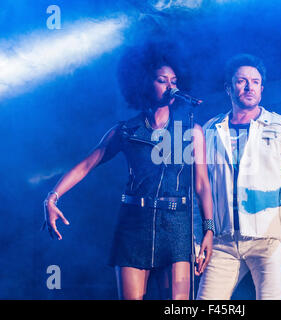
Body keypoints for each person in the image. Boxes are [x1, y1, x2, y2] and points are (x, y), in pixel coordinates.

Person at [42, 42, 214, 300]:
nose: (171, 86)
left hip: (177, 223)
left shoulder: (191, 130)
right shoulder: (126, 130)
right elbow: (87, 164)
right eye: (162, 80)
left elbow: (201, 184)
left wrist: (209, 229)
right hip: (135, 222)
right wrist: (52, 197)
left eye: (174, 80)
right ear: (145, 83)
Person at [196, 54, 281, 300]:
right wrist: (200, 237)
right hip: (221, 242)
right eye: (242, 81)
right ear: (228, 88)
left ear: (262, 87)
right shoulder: (210, 129)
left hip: (269, 239)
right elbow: (200, 187)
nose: (250, 87)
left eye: (255, 81)